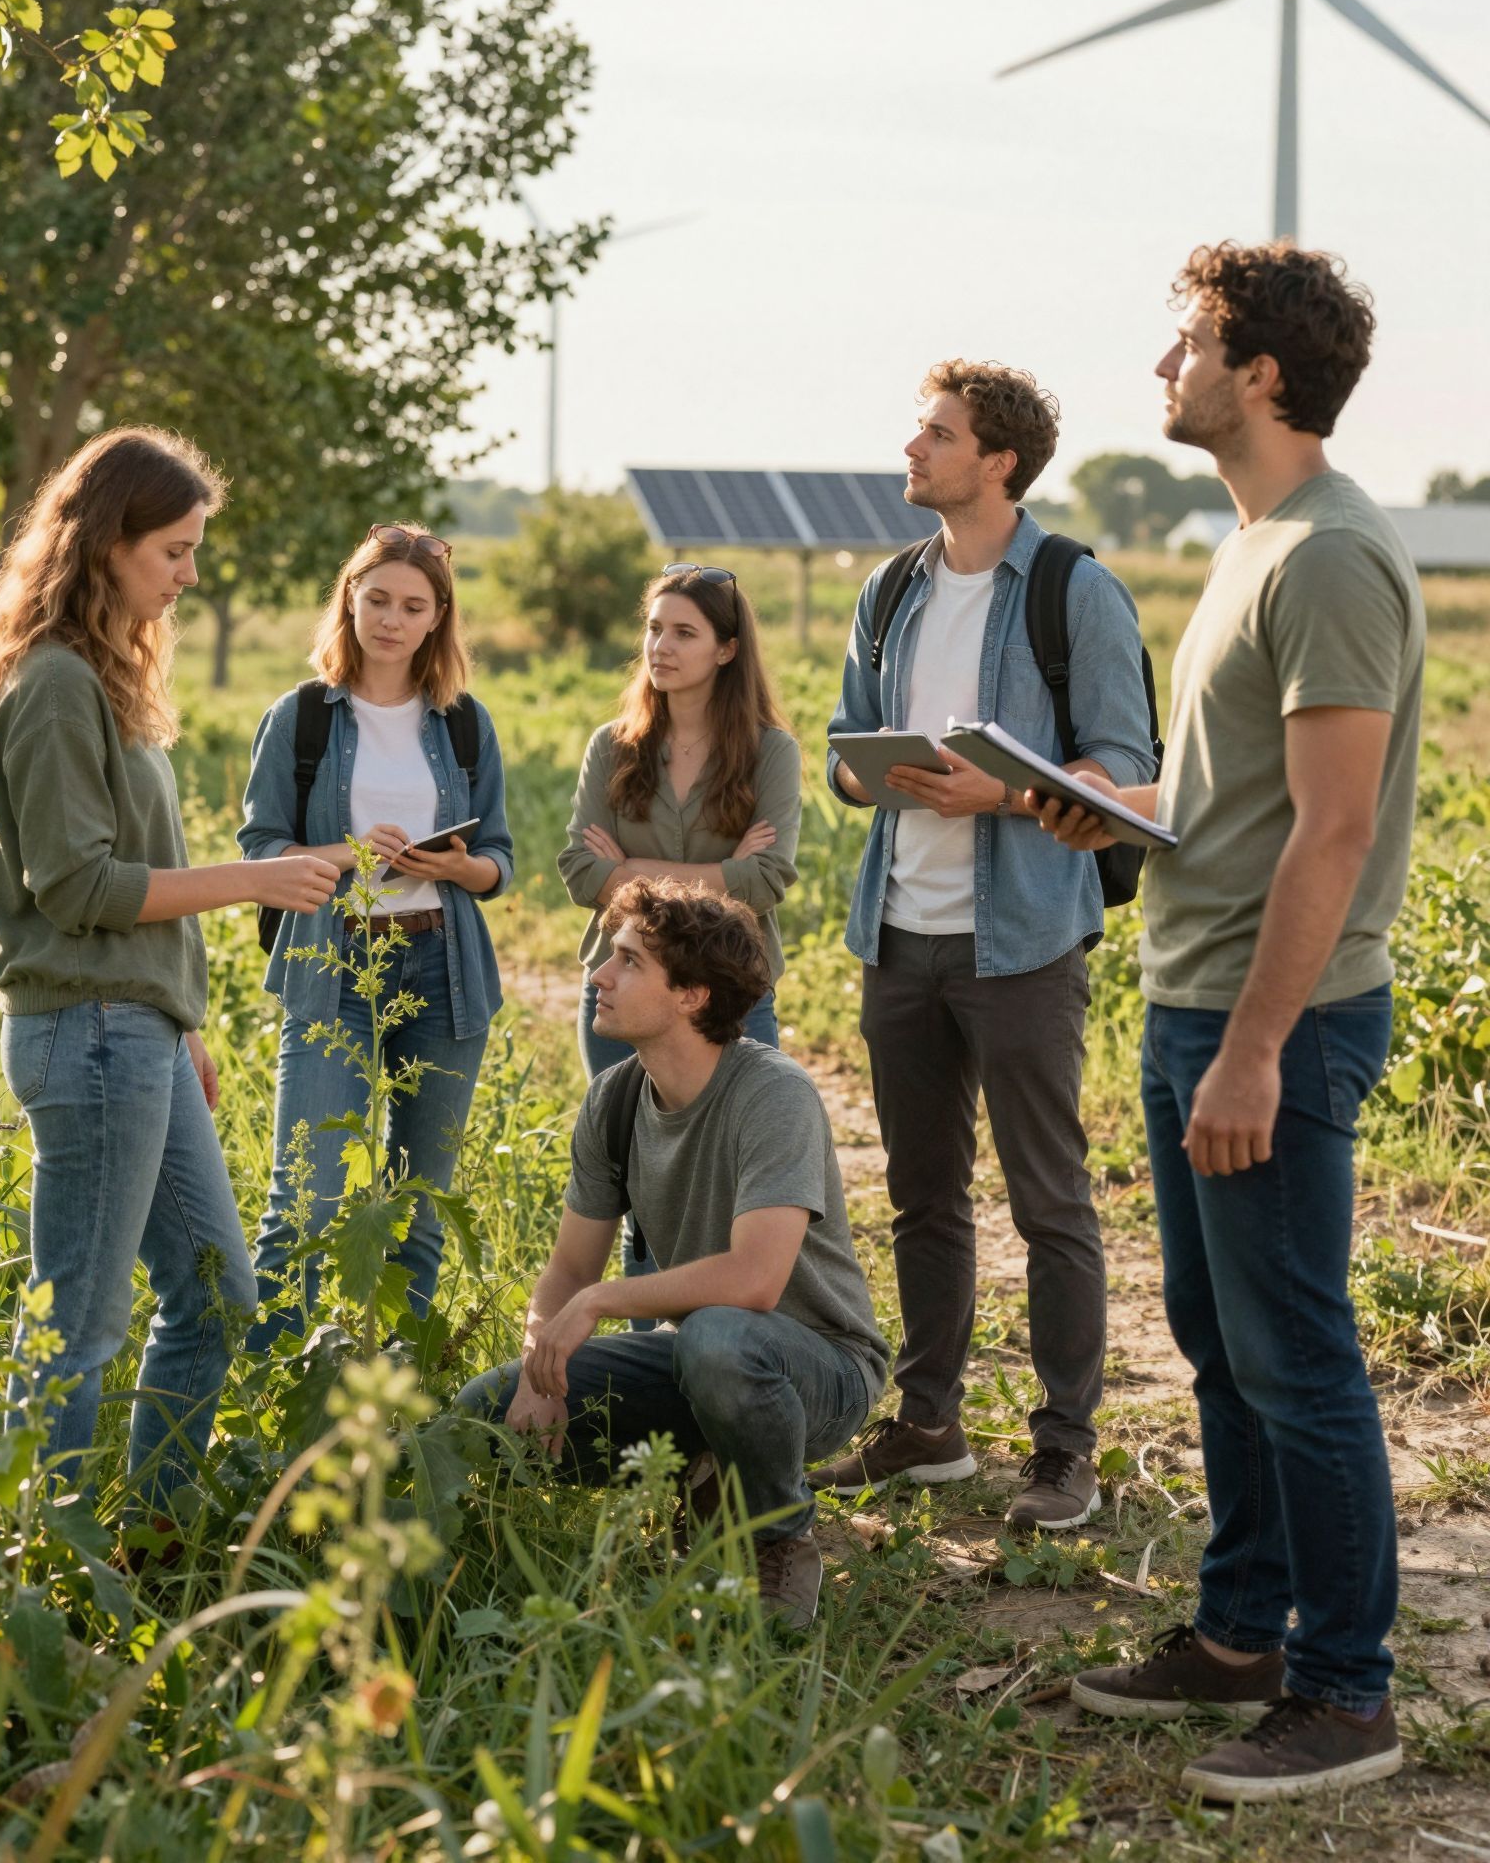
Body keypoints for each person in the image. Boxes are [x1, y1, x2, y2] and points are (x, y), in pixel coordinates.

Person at [1041, 243, 1424, 1803]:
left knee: (1299, 1356)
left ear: (1261, 372)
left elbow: (1334, 836)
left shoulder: (1331, 555)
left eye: (1189, 339)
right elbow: (1236, 805)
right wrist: (1098, 803)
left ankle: (1346, 1694)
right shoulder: (1255, 544)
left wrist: (1260, 1048)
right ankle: (1239, 1634)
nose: (1163, 367)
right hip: (1191, 996)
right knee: (1219, 1346)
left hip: (1274, 1021)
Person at [0, 427, 339, 1506]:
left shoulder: (103, 678)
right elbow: (77, 887)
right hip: (86, 1035)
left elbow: (133, 884)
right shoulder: (55, 684)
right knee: (78, 1320)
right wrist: (258, 879)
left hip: (138, 1032)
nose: (188, 573)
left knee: (216, 1293)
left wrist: (181, 1019)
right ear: (105, 543)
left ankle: (158, 1529)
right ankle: (32, 1569)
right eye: (173, 549)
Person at [811, 361, 1156, 1527]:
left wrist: (996, 798)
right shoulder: (892, 588)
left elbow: (1122, 769)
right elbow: (841, 757)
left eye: (937, 433)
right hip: (898, 933)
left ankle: (1066, 1449)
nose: (913, 449)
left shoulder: (1074, 590)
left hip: (1024, 941)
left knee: (1049, 1200)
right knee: (920, 1195)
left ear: (997, 459)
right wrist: (873, 771)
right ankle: (929, 1424)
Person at [456, 880, 889, 1630]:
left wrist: (597, 1305)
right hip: (697, 1357)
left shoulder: (773, 1094)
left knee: (720, 1339)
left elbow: (754, 1281)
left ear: (691, 995)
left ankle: (778, 1540)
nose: (600, 975)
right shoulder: (617, 1099)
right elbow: (567, 1271)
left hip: (816, 1368)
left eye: (627, 961)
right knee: (482, 1418)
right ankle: (709, 1473)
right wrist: (541, 1364)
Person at [239, 524, 514, 1350]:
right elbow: (260, 849)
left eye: (413, 606)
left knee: (420, 1200)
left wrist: (457, 867)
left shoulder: (463, 724)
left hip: (442, 964)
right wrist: (348, 857)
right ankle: (274, 1380)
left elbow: (497, 857)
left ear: (438, 619)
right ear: (350, 601)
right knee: (308, 1196)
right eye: (378, 599)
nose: (392, 619)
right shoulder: (301, 717)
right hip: (333, 963)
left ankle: (397, 1388)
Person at [557, 563, 801, 1301]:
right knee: (637, 1186)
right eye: (654, 628)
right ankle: (641, 1371)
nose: (660, 646)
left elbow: (769, 880)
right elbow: (576, 871)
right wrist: (720, 872)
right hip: (621, 993)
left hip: (733, 999)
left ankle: (718, 1359)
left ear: (726, 649)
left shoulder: (770, 752)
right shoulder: (614, 744)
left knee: (735, 1185)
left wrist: (629, 870)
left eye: (684, 633)